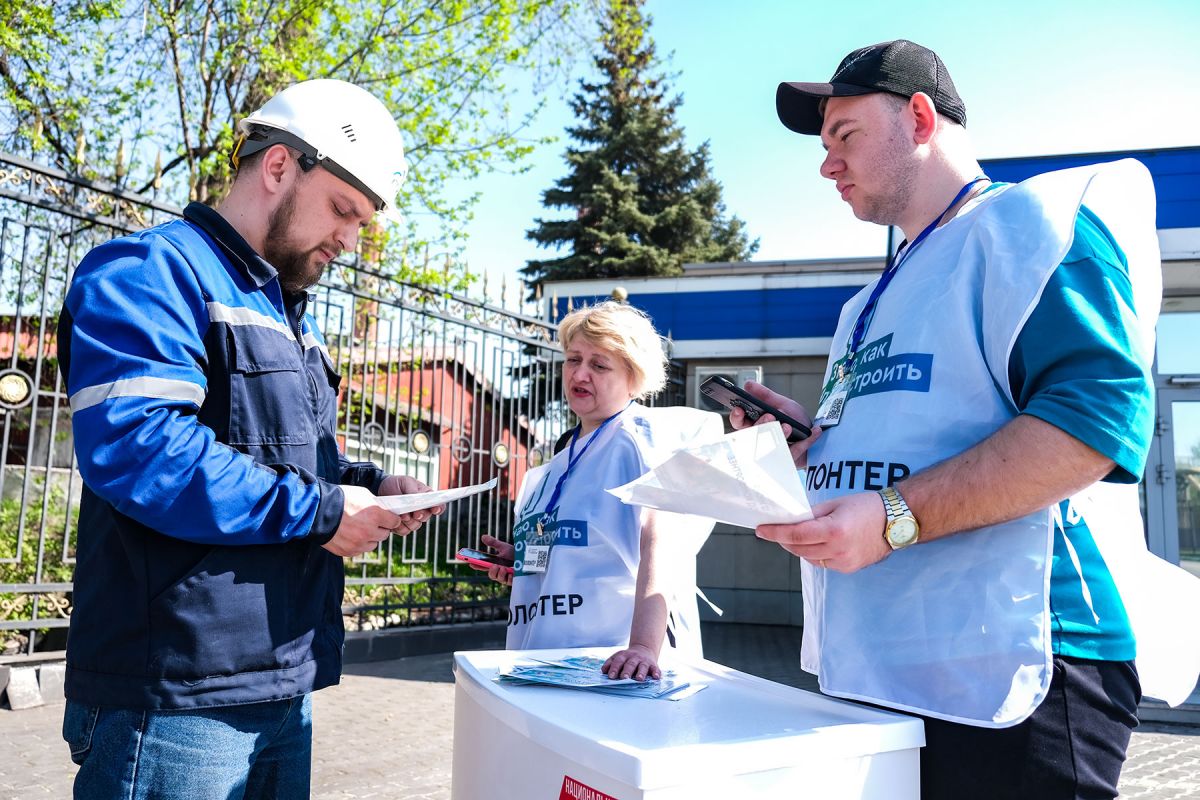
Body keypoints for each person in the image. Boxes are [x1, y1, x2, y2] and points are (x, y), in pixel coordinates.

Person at [733, 39, 1200, 799]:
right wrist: (807, 440)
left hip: (1023, 667)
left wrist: (889, 519)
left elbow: (1095, 421)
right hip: (888, 663)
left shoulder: (1031, 227)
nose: (827, 165)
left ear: (919, 117)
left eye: (844, 135)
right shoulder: (870, 298)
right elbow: (907, 439)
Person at [57, 79, 444, 799]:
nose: (349, 240)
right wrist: (324, 512)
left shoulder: (291, 314)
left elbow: (272, 454)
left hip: (278, 682)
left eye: (360, 223)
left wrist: (364, 484)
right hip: (174, 696)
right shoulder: (153, 272)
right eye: (342, 210)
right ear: (278, 168)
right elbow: (141, 449)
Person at [473, 301, 721, 681]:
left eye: (599, 365)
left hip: (614, 668)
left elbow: (662, 540)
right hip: (544, 659)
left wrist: (642, 646)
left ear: (634, 378)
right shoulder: (556, 463)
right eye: (574, 359)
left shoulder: (639, 440)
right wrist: (523, 562)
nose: (580, 374)